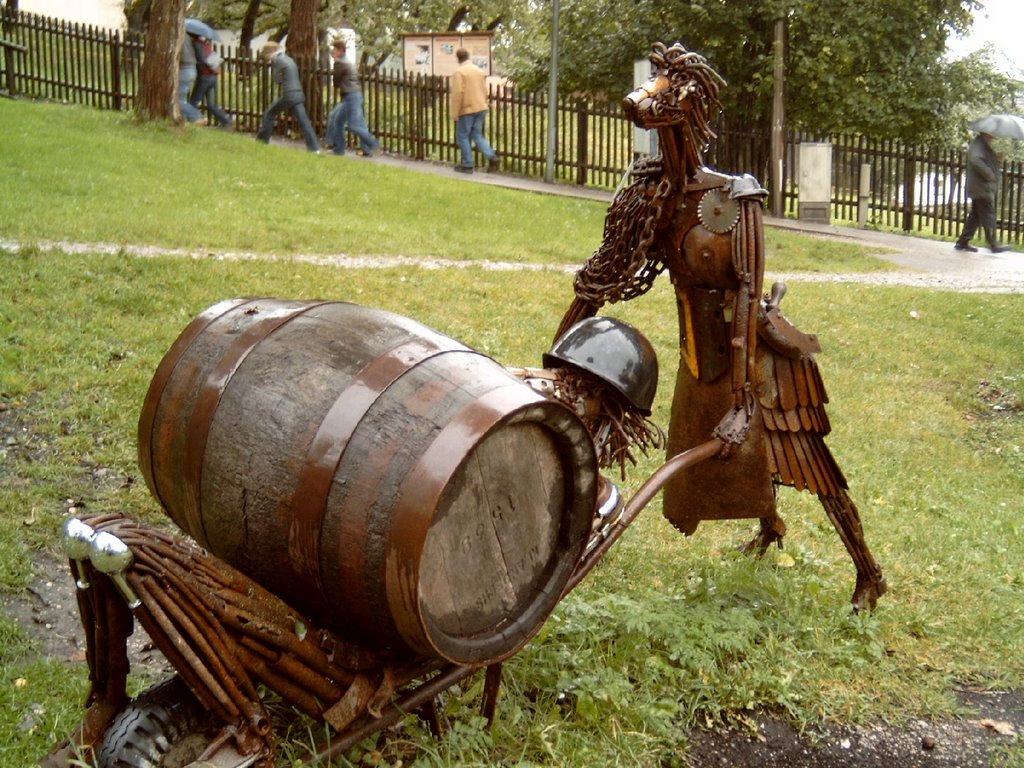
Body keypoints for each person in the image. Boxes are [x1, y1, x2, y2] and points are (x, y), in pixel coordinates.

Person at [255, 41, 321, 153]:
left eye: (266, 55)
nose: (266, 58)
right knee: (303, 121)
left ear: (270, 53)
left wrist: (277, 74)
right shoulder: (289, 59)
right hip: (298, 93)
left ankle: (262, 140)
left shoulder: (277, 60)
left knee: (270, 113)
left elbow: (277, 79)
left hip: (289, 94)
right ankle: (314, 148)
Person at [955, 131, 1008, 253]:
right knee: (988, 214)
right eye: (992, 133)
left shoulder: (983, 145)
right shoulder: (978, 145)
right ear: (986, 132)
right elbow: (975, 160)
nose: (994, 135)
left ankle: (963, 242)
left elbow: (985, 161)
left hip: (980, 187)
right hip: (981, 187)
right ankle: (993, 244)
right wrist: (989, 174)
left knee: (975, 215)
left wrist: (997, 159)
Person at [325, 40, 379, 156]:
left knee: (354, 125)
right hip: (353, 95)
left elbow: (336, 82)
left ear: (340, 50)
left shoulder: (340, 63)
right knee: (337, 119)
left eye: (335, 49)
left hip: (351, 96)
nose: (333, 51)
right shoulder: (347, 61)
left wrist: (334, 62)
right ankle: (339, 149)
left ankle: (372, 143)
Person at [449, 48, 498, 174]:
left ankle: (468, 164)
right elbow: (484, 90)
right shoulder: (479, 71)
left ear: (458, 58)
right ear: (468, 56)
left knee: (463, 136)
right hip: (481, 107)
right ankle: (492, 157)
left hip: (467, 108)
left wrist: (455, 113)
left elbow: (457, 94)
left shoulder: (460, 72)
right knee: (477, 135)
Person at [189, 35, 232, 129]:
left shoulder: (196, 44)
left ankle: (197, 121)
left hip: (205, 76)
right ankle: (227, 121)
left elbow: (202, 60)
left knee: (193, 102)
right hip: (213, 75)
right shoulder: (206, 44)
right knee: (212, 104)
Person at [178, 31, 204, 124]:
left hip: (184, 69)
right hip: (192, 69)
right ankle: (183, 119)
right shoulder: (188, 37)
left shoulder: (177, 36)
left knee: (177, 99)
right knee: (182, 97)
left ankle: (197, 116)